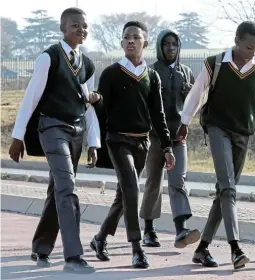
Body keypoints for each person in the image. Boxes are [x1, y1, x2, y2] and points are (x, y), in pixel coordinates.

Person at [8, 7, 100, 274]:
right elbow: (30, 98)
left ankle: (41, 247)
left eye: (84, 25)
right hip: (51, 127)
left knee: (57, 189)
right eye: (75, 25)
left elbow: (89, 104)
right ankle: (73, 257)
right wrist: (18, 136)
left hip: (77, 131)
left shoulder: (89, 64)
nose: (81, 29)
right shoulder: (49, 58)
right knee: (67, 186)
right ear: (62, 28)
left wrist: (93, 142)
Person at [177, 21, 255, 269]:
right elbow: (197, 93)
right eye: (249, 47)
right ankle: (236, 249)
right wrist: (185, 121)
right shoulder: (215, 63)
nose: (253, 52)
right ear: (237, 41)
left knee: (224, 191)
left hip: (243, 133)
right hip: (218, 128)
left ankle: (202, 249)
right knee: (228, 189)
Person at [89, 21, 175, 269]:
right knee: (131, 189)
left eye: (135, 37)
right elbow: (102, 108)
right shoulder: (111, 73)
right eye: (126, 37)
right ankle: (137, 248)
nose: (130, 40)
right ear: (121, 42)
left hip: (143, 143)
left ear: (145, 43)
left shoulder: (152, 76)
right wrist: (96, 100)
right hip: (117, 141)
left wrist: (167, 147)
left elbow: (158, 114)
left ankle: (100, 238)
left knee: (124, 195)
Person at [139, 29, 200, 249]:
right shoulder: (151, 71)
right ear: (159, 47)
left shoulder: (186, 72)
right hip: (155, 137)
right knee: (153, 183)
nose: (171, 48)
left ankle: (181, 229)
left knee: (178, 182)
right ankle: (148, 230)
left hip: (178, 137)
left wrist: (191, 93)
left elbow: (195, 104)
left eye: (174, 44)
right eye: (166, 44)